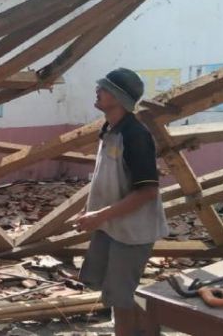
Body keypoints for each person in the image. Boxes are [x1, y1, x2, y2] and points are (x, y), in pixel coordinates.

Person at [75, 68, 169, 336]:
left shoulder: (135, 135)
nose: (97, 91)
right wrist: (89, 211)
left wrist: (99, 216)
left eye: (103, 89)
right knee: (114, 292)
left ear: (118, 97)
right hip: (111, 224)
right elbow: (110, 179)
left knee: (121, 296)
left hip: (132, 232)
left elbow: (147, 192)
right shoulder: (109, 130)